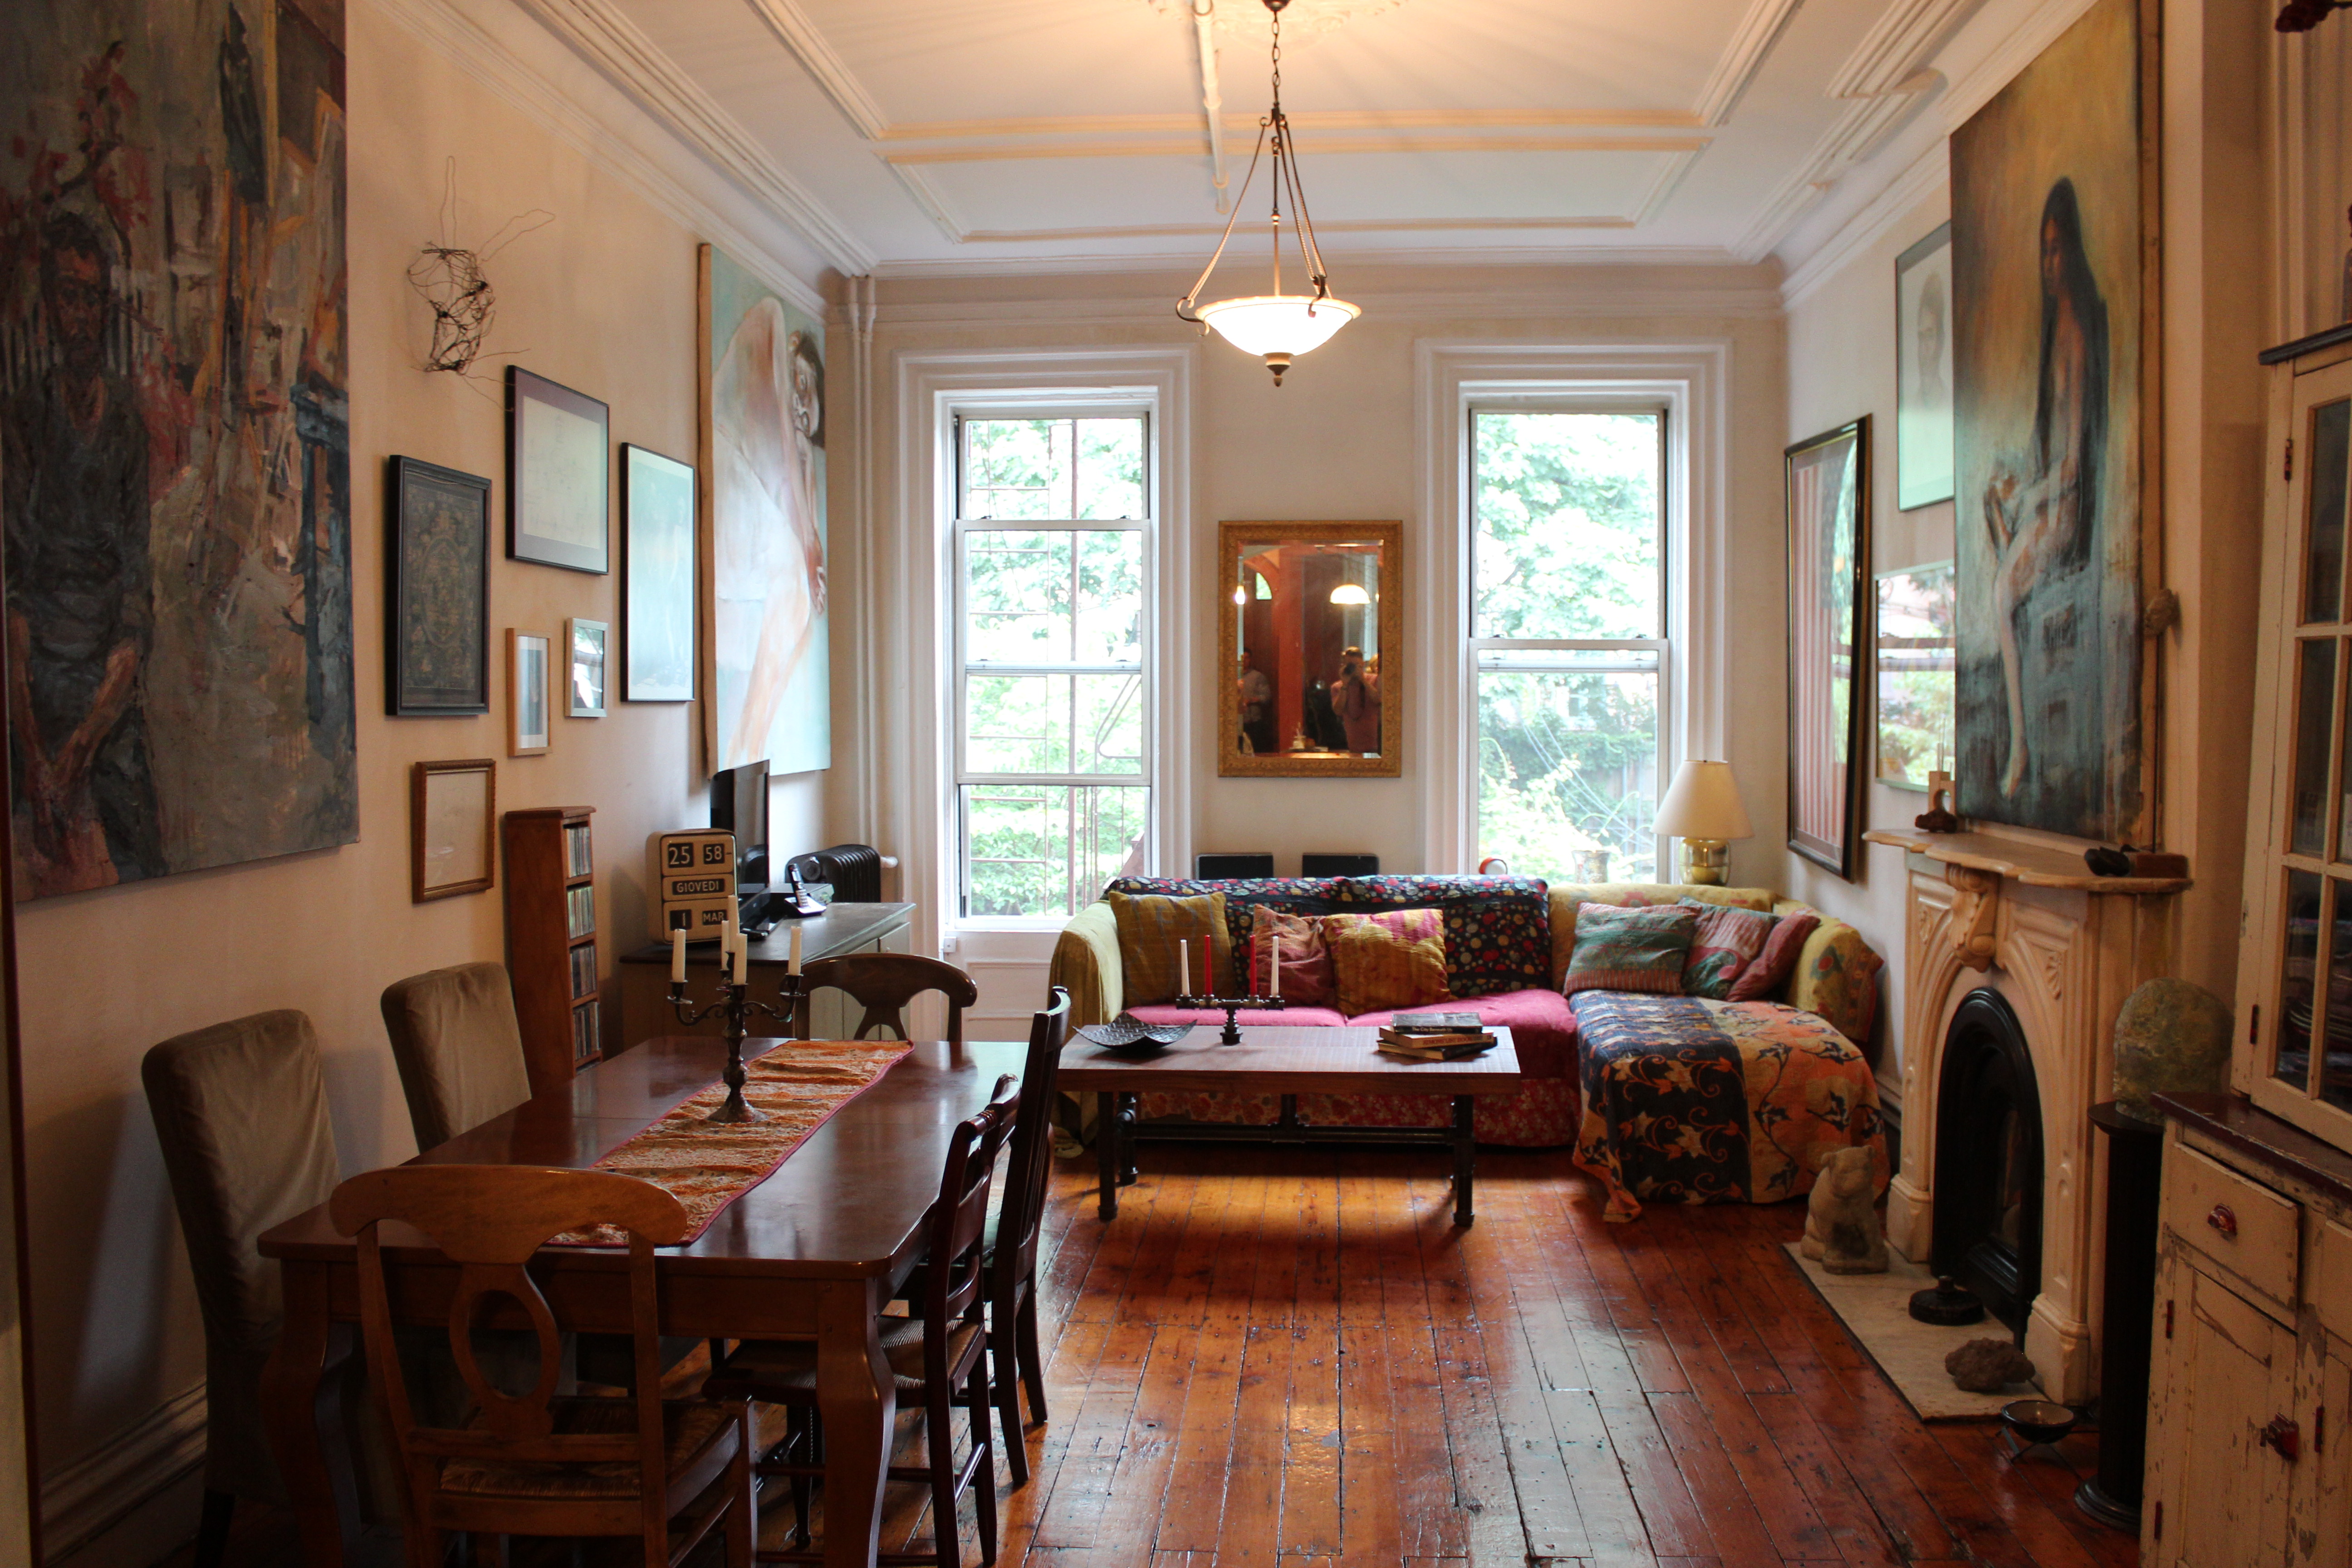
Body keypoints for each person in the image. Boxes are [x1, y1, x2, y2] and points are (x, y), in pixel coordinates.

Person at [4, 211, 165, 893]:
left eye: (91, 297)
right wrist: (39, 752)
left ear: (106, 307)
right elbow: (11, 595)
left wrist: (83, 746)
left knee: (141, 854)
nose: (80, 314)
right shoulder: (23, 422)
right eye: (67, 295)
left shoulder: (126, 425)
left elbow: (134, 604)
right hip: (37, 687)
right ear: (49, 305)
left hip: (107, 690)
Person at [1980, 178, 2108, 800]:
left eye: (2060, 250)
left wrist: (2032, 498)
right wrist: (2016, 487)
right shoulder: (2052, 331)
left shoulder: (2078, 336)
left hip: (2068, 511)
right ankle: (2023, 740)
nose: (2051, 264)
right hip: (2046, 501)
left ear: (2074, 253)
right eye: (2044, 252)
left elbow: (2077, 464)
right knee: (2000, 565)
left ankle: (2024, 743)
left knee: (2004, 593)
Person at [1333, 645, 1380, 753]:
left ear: (1363, 664)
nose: (1353, 669)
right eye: (1350, 666)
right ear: (1344, 666)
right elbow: (1338, 711)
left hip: (1377, 745)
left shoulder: (1374, 680)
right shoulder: (1338, 687)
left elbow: (1378, 700)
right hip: (1352, 745)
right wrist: (1345, 684)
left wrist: (1363, 680)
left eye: (1357, 665)